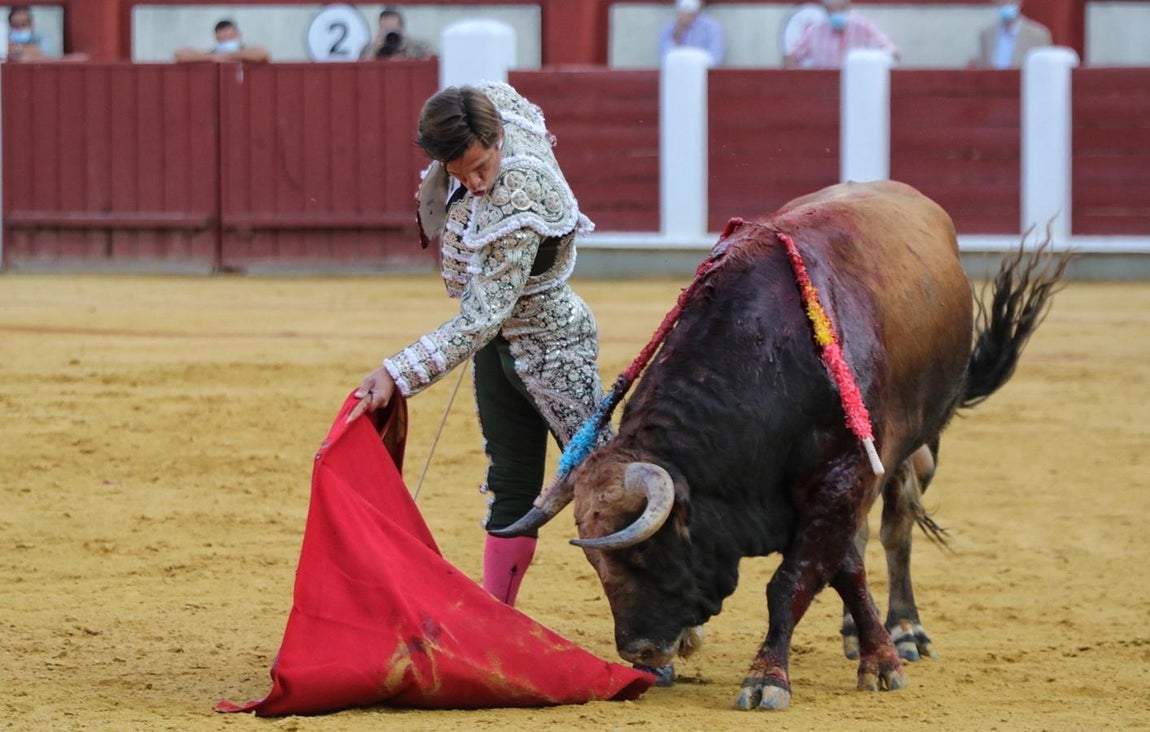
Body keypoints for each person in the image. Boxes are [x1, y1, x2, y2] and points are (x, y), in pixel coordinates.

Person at [351, 82, 609, 611]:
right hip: (500, 352)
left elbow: (484, 316)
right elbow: (495, 93)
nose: (474, 182)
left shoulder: (518, 188)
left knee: (604, 486)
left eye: (481, 166)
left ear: (498, 139)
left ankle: (662, 634)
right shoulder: (495, 110)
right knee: (510, 486)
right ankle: (498, 618)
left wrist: (397, 373)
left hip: (552, 344)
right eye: (458, 171)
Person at [784, 0, 899, 69]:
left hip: (856, 85)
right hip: (824, 89)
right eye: (832, 10)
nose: (836, 14)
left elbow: (891, 51)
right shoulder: (815, 30)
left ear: (848, 8)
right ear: (825, 11)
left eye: (841, 9)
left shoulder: (862, 27)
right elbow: (792, 56)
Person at [972, 0, 1052, 69]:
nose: (1005, 4)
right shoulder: (986, 34)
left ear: (1019, 2)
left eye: (1010, 1)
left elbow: (1045, 69)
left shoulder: (1038, 35)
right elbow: (983, 67)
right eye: (1002, 2)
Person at [659, 0, 725, 67]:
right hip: (678, 73)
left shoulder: (711, 27)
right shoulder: (670, 28)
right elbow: (665, 57)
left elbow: (715, 59)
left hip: (702, 73)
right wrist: (679, 30)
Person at [173, 19, 270, 63]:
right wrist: (211, 57)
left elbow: (263, 53)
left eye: (230, 37)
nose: (227, 42)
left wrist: (228, 56)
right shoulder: (211, 54)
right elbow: (179, 54)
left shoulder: (247, 53)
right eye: (222, 39)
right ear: (216, 37)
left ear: (238, 35)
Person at [361, 5, 433, 60]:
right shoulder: (369, 49)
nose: (390, 35)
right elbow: (360, 69)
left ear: (402, 28)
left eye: (393, 29)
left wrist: (407, 45)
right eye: (385, 30)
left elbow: (430, 60)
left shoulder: (420, 46)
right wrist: (374, 51)